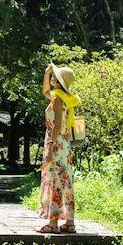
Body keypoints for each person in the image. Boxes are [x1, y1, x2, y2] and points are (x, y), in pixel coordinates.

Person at [37, 63, 80, 234]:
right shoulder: (65, 97)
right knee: (65, 181)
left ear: (60, 81)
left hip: (56, 141)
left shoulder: (59, 99)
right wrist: (47, 73)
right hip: (65, 144)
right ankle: (70, 223)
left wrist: (50, 146)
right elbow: (45, 92)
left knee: (55, 179)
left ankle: (53, 223)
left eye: (55, 76)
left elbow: (56, 126)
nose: (53, 78)